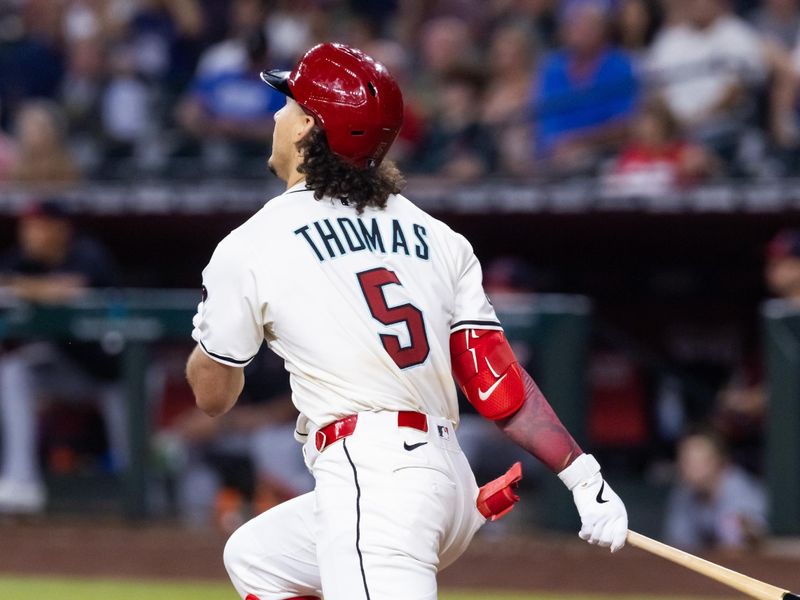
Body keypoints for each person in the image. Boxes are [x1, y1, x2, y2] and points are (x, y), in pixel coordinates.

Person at [186, 43, 628, 600]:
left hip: (376, 479)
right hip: (445, 485)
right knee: (258, 559)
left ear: (307, 130)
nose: (275, 113)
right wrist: (580, 473)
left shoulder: (254, 241)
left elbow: (213, 399)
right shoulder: (440, 237)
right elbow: (493, 378)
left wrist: (210, 341)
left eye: (288, 102)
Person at [0, 200, 124, 513]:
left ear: (60, 229)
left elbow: (68, 290)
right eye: (26, 227)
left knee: (131, 457)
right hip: (70, 369)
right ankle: (21, 482)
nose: (28, 234)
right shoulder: (21, 260)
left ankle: (138, 498)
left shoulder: (87, 253)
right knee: (14, 372)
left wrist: (18, 287)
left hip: (122, 374)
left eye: (37, 227)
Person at [532, 0, 640, 172]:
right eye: (575, 26)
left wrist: (580, 142)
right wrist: (557, 145)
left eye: (588, 26)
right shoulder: (552, 68)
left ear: (603, 30)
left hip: (604, 155)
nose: (580, 32)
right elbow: (543, 119)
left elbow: (624, 124)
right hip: (553, 157)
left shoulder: (620, 66)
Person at [664, 430, 767, 551]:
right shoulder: (683, 493)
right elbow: (679, 544)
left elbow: (741, 543)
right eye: (685, 461)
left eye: (697, 461)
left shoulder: (739, 489)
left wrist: (746, 530)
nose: (689, 468)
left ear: (719, 461)